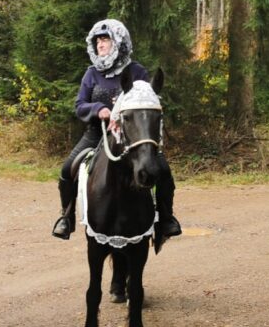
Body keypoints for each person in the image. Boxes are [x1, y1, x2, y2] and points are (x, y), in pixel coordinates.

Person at [51, 18, 182, 242]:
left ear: (118, 42)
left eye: (105, 39)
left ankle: (166, 218)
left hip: (133, 136)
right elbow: (80, 105)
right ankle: (67, 217)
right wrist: (98, 109)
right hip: (97, 133)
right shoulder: (91, 74)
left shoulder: (136, 71)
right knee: (66, 169)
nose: (100, 45)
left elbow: (148, 101)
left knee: (163, 170)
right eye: (97, 41)